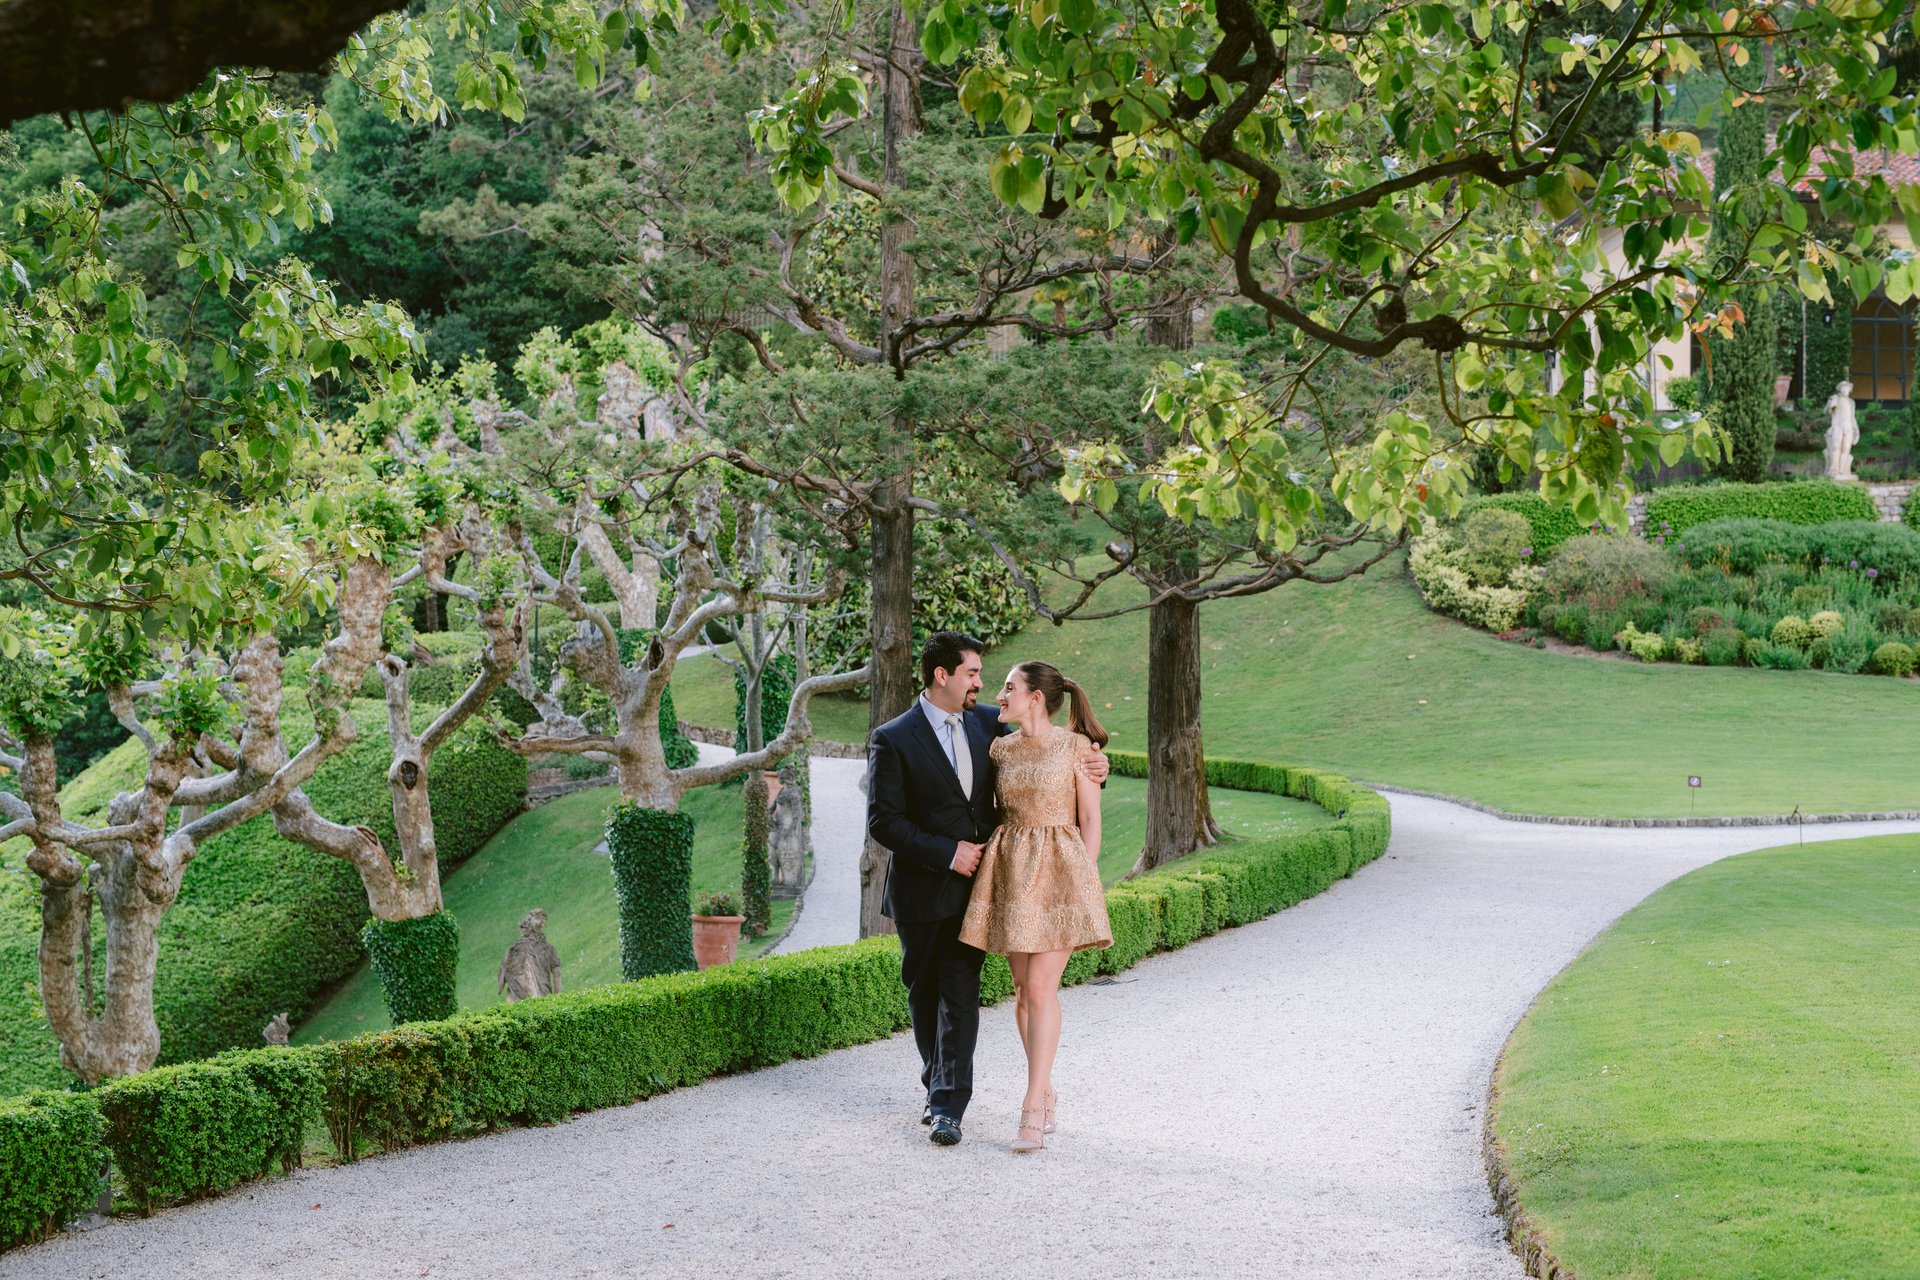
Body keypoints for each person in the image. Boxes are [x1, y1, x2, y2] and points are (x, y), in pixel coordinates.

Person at [867, 632, 1108, 1147]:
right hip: (939, 887)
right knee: (930, 994)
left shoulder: (986, 725)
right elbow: (883, 821)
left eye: (991, 678)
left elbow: (1064, 774)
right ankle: (943, 1084)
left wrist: (1097, 768)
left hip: (1002, 884)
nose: (985, 685)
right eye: (974, 673)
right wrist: (946, 852)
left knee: (968, 994)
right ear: (943, 675)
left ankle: (957, 1107)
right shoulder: (897, 737)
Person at [957, 660, 1111, 1153]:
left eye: (1009, 687)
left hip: (1062, 877)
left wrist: (1081, 883)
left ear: (1036, 697)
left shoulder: (1077, 748)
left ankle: (1031, 1106)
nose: (1000, 695)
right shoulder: (999, 748)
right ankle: (1046, 1088)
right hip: (1013, 876)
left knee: (1043, 987)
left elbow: (1091, 820)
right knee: (1022, 991)